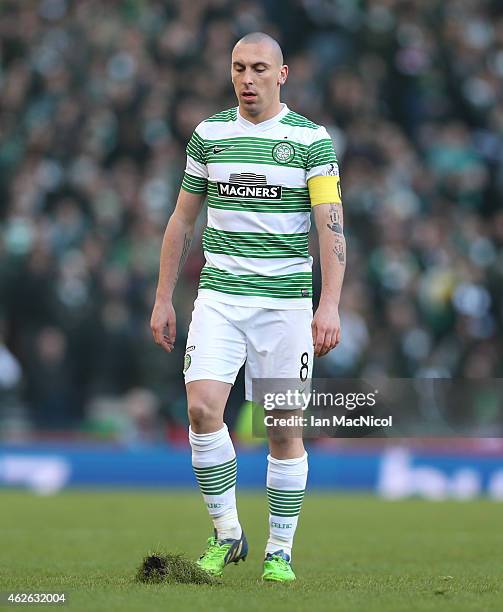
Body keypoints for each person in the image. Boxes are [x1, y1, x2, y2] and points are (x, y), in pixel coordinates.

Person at [151, 31, 345, 582]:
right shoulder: (210, 135)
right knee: (202, 409)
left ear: (281, 75)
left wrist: (328, 304)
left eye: (259, 68)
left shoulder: (311, 141)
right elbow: (182, 220)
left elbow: (331, 229)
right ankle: (227, 533)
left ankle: (279, 550)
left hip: (285, 306)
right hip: (219, 299)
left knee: (281, 428)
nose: (247, 79)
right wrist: (164, 297)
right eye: (239, 68)